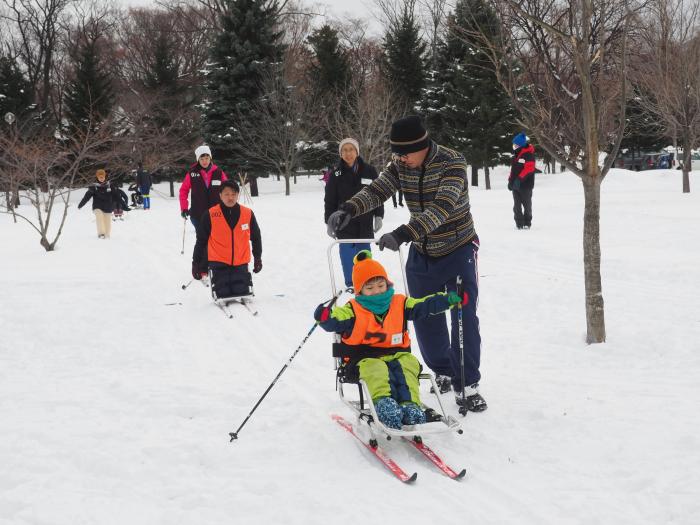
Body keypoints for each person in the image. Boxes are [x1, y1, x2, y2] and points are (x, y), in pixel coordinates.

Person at [326, 115, 487, 412]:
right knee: (425, 316)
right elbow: (377, 189)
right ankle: (443, 370)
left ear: (422, 146)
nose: (399, 159)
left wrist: (402, 233)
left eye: (404, 153)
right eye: (396, 154)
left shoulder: (453, 163)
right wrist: (348, 208)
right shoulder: (401, 164)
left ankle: (468, 382)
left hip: (458, 248)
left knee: (463, 314)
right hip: (422, 252)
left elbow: (442, 208)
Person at [314, 250, 467, 429]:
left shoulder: (400, 302)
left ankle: (409, 405)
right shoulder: (352, 309)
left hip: (397, 354)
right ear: (359, 291)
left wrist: (448, 300)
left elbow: (424, 305)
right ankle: (384, 404)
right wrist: (325, 316)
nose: (376, 291)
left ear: (387, 284)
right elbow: (336, 319)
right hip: (363, 358)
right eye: (369, 288)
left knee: (408, 364)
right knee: (376, 369)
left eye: (380, 285)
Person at [325, 137, 384, 289]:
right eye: (344, 150)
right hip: (343, 222)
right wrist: (329, 222)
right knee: (347, 255)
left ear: (357, 151)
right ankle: (351, 283)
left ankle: (366, 280)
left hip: (365, 222)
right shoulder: (335, 174)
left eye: (351, 149)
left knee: (364, 253)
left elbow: (378, 195)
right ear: (340, 154)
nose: (348, 153)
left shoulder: (369, 170)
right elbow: (329, 200)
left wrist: (379, 215)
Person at [192, 180, 262, 298]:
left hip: (241, 261)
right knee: (223, 293)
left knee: (241, 291)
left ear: (238, 195)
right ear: (220, 195)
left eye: (234, 194)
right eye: (227, 194)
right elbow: (201, 241)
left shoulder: (247, 213)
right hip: (218, 262)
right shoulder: (210, 214)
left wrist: (258, 258)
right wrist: (196, 263)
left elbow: (256, 237)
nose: (230, 198)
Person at [180, 145, 228, 229]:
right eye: (201, 159)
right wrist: (184, 208)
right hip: (198, 215)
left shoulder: (218, 172)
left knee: (215, 240)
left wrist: (228, 205)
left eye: (206, 158)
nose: (204, 161)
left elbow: (227, 190)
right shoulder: (192, 173)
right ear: (198, 160)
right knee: (202, 241)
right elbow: (183, 190)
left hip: (217, 214)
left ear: (210, 158)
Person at [507, 132, 536, 230]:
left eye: (515, 144)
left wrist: (519, 179)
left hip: (526, 186)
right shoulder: (515, 155)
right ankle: (519, 224)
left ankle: (527, 223)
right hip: (516, 185)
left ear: (520, 145)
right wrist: (510, 181)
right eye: (513, 144)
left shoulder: (528, 155)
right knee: (516, 206)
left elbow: (529, 169)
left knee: (527, 206)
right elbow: (513, 170)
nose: (513, 146)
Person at [77, 169, 117, 239]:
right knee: (99, 216)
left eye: (103, 177)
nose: (101, 179)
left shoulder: (109, 186)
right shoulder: (93, 187)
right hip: (97, 206)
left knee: (107, 221)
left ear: (105, 177)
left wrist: (120, 205)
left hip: (107, 206)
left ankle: (107, 235)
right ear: (97, 177)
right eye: (100, 177)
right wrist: (81, 204)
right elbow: (86, 197)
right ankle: (101, 233)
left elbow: (116, 196)